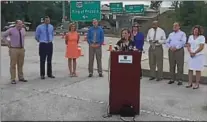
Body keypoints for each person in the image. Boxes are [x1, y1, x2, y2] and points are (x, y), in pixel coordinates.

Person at [2, 20, 27, 84]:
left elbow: (23, 38)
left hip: (21, 49)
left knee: (21, 64)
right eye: (19, 24)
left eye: (21, 24)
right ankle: (13, 79)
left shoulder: (23, 30)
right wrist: (7, 43)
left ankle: (21, 77)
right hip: (14, 49)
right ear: (16, 24)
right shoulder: (11, 30)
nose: (20, 25)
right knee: (13, 64)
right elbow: (3, 35)